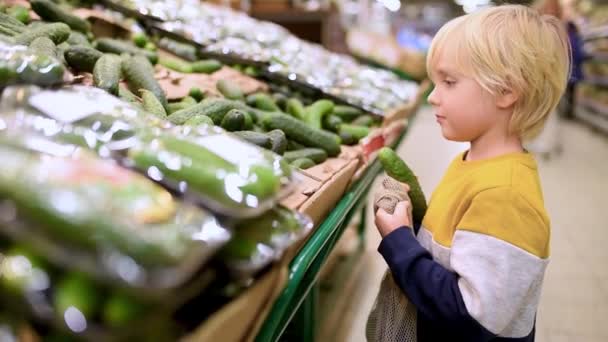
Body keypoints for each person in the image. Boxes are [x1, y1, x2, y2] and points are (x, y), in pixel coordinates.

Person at [367, 5, 571, 342]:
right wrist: (413, 225)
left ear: (506, 91)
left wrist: (400, 242)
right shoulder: (472, 162)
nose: (433, 97)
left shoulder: (505, 196)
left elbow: (471, 318)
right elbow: (453, 252)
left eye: (449, 82)